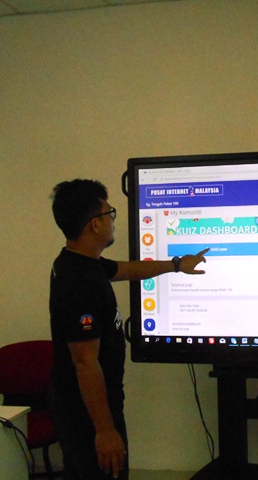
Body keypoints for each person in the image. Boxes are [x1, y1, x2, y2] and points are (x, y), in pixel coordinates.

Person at [49, 179, 208, 480]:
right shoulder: (79, 282)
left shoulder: (80, 262)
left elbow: (126, 269)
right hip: (86, 413)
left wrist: (176, 265)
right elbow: (85, 362)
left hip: (82, 405)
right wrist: (105, 431)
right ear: (95, 224)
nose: (113, 220)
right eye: (110, 213)